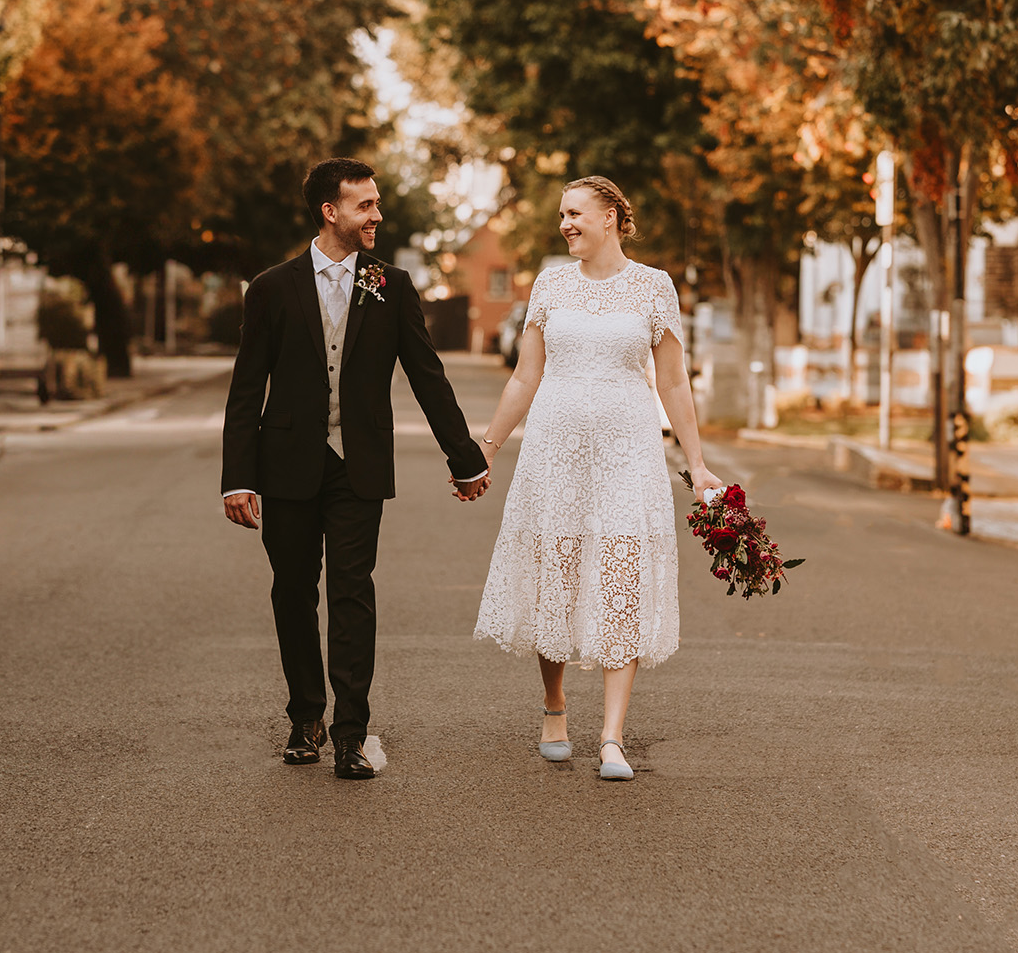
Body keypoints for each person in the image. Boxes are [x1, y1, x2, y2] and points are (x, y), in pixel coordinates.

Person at [222, 157, 491, 779]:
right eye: (365, 205)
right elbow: (246, 390)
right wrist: (239, 477)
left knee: (351, 593)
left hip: (358, 467)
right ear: (330, 211)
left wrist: (465, 456)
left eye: (376, 203)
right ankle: (305, 716)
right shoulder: (271, 287)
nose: (377, 215)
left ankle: (350, 732)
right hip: (286, 464)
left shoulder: (390, 284)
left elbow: (427, 376)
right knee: (293, 594)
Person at [473, 175, 722, 781]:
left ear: (611, 216)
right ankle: (555, 708)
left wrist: (697, 462)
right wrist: (485, 445)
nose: (566, 223)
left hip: (628, 453)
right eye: (562, 214)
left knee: (621, 572)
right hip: (554, 452)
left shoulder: (652, 287)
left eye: (576, 213)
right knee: (556, 569)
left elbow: (671, 382)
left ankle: (612, 736)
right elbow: (525, 378)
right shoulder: (550, 284)